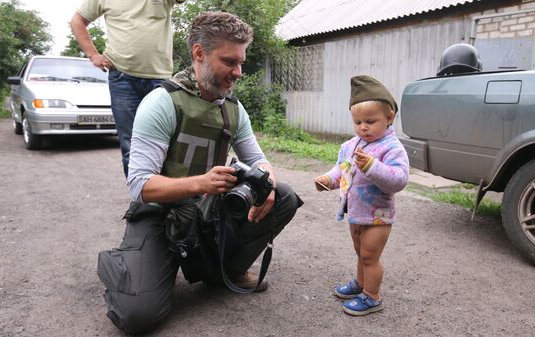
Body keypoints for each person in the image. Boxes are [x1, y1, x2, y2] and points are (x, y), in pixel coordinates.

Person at [96, 11, 303, 334]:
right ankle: (127, 264)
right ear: (198, 53)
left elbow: (259, 160)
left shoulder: (233, 109)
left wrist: (269, 183)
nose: (238, 72)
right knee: (138, 316)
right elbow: (139, 185)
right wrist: (202, 183)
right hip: (161, 215)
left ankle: (224, 272)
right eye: (228, 61)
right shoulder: (161, 103)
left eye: (241, 63)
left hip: (208, 212)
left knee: (285, 196)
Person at [314, 75, 409, 316]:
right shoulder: (350, 145)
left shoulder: (392, 148)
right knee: (361, 253)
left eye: (370, 121)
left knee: (370, 255)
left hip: (378, 215)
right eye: (357, 122)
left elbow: (399, 180)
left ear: (389, 118)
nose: (363, 127)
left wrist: (372, 167)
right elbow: (342, 170)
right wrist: (328, 179)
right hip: (356, 212)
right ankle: (360, 283)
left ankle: (372, 296)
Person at [70, 0, 186, 177]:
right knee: (131, 145)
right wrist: (93, 54)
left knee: (168, 143)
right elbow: (77, 21)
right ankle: (143, 199)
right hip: (122, 77)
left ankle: (169, 196)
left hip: (160, 79)